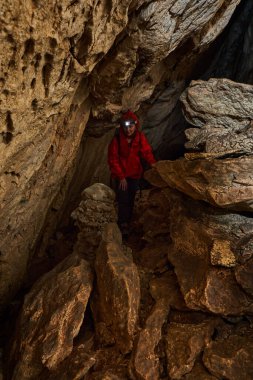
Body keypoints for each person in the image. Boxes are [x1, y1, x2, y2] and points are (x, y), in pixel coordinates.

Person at [108, 110, 156, 239]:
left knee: (131, 198)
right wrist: (121, 177)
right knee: (123, 199)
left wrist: (153, 164)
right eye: (126, 127)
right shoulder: (117, 140)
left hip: (135, 174)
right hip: (121, 175)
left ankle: (127, 221)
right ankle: (122, 223)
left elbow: (146, 152)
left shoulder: (139, 137)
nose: (128, 129)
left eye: (131, 126)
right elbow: (113, 159)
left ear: (135, 125)